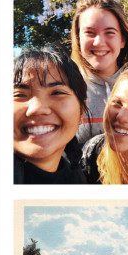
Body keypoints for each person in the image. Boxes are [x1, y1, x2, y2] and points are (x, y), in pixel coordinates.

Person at [71, 0, 128, 145]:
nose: (99, 42)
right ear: (78, 39)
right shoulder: (65, 87)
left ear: (122, 40)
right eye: (89, 32)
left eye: (109, 32)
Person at [13, 46, 88, 184]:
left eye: (57, 93)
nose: (37, 109)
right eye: (19, 95)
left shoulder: (77, 180)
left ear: (82, 112)